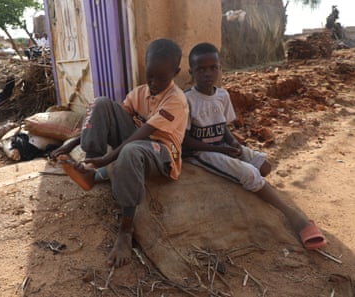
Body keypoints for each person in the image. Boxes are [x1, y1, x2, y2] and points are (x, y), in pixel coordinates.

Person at [50, 39, 189, 267]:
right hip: (135, 141)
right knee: (101, 103)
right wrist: (70, 144)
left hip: (161, 153)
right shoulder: (139, 93)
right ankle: (89, 168)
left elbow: (142, 134)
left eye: (161, 79)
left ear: (176, 72)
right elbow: (113, 118)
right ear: (145, 66)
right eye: (150, 75)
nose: (153, 83)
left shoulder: (176, 100)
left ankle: (126, 230)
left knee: (130, 150)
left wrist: (108, 158)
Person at [183, 42, 326, 250]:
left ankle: (258, 186)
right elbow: (186, 140)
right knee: (250, 173)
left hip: (223, 145)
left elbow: (224, 128)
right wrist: (220, 150)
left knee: (264, 165)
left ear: (220, 68)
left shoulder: (222, 95)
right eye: (201, 69)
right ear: (191, 72)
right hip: (202, 152)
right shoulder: (187, 100)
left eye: (213, 67)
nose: (208, 73)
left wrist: (234, 144)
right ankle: (295, 218)